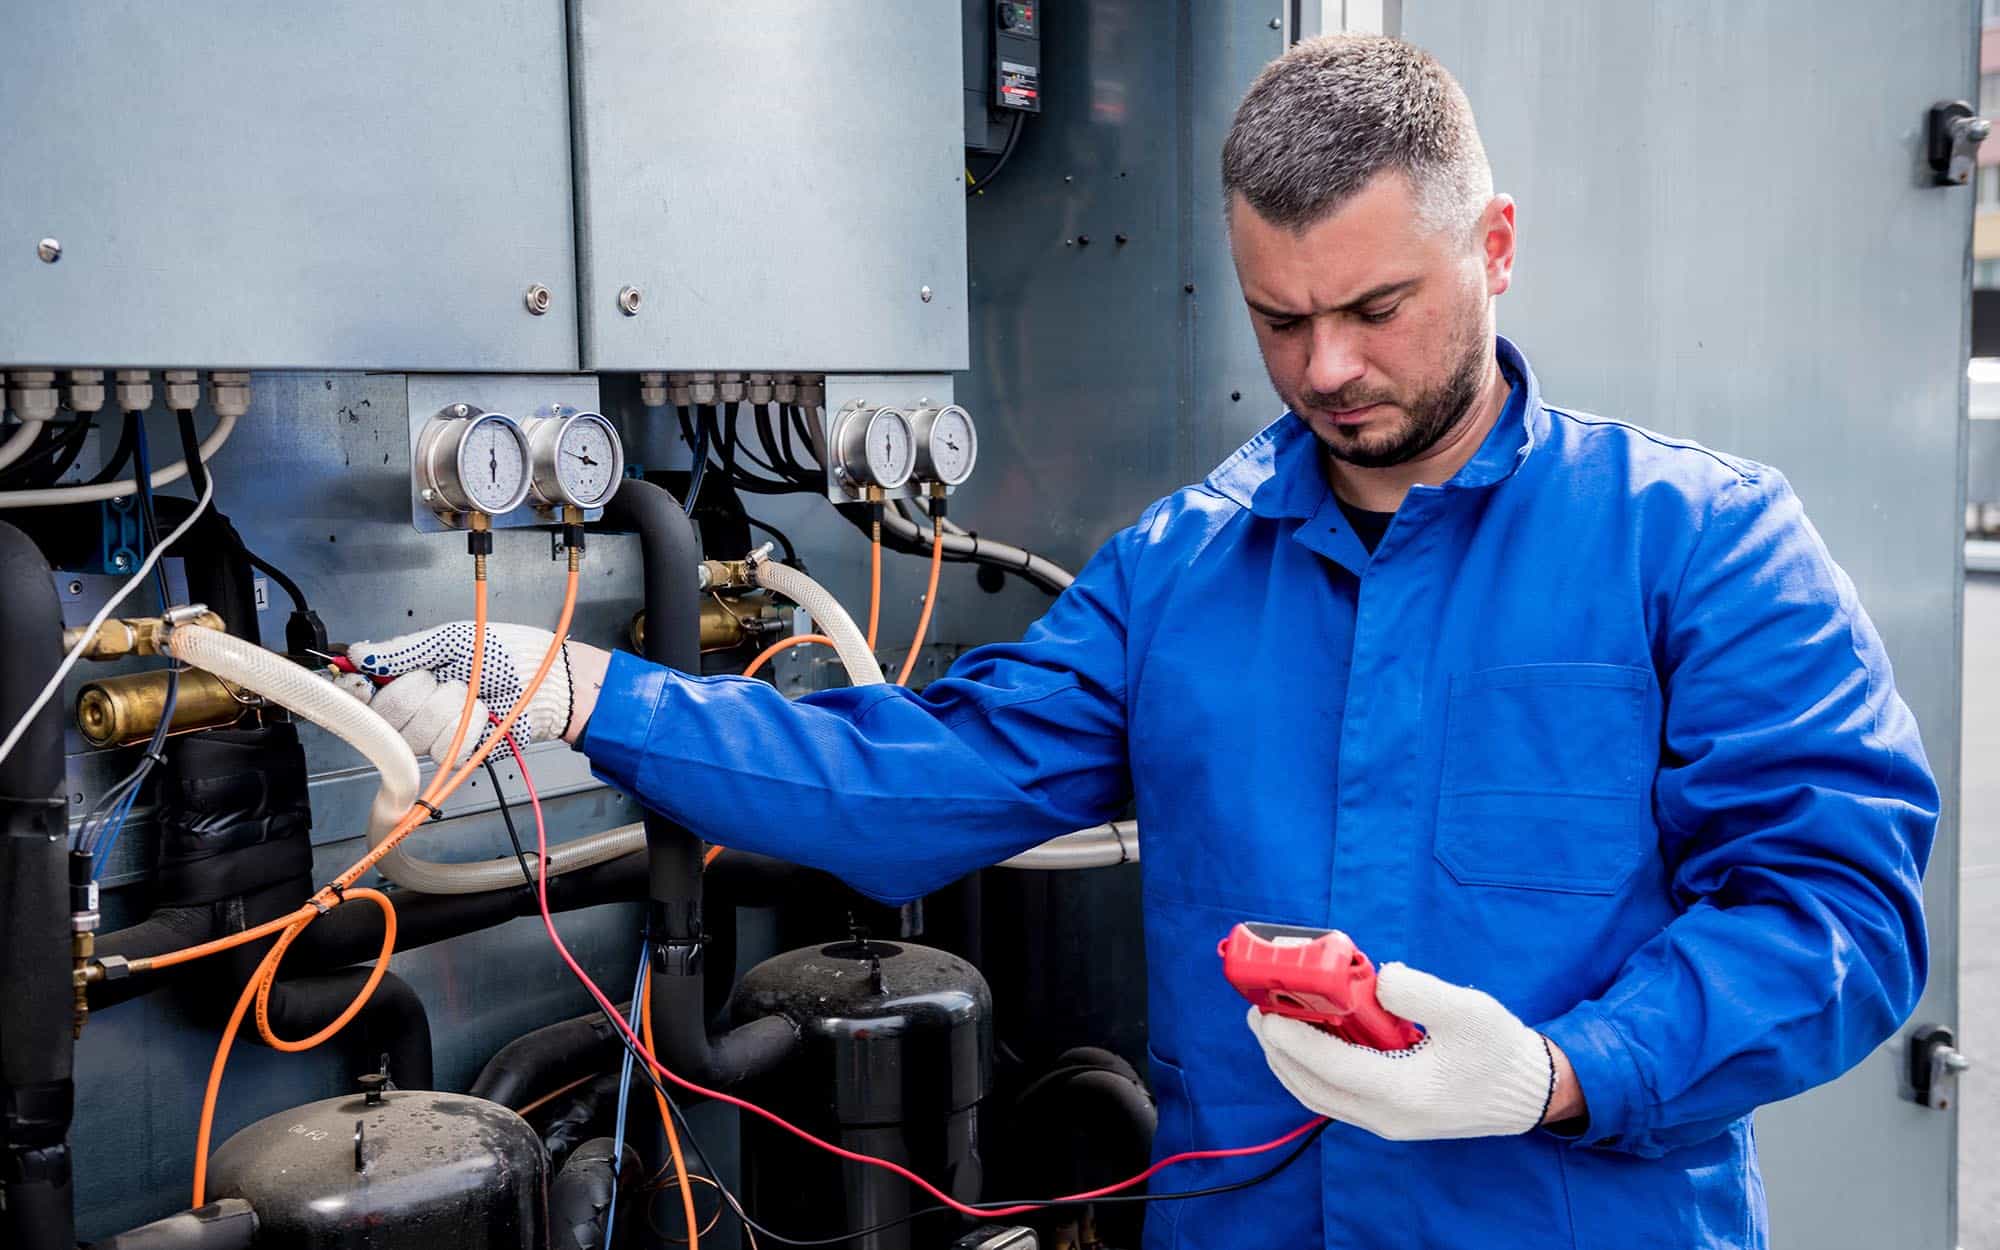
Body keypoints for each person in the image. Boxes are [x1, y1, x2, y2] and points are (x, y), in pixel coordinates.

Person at [351, 34, 1937, 1249]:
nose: (1324, 367)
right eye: (1278, 316)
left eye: (1376, 307)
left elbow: (1842, 917)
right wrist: (579, 686)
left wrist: (1560, 1069)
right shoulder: (1186, 568)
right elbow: (923, 774)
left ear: (1498, 245)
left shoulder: (1698, 541)